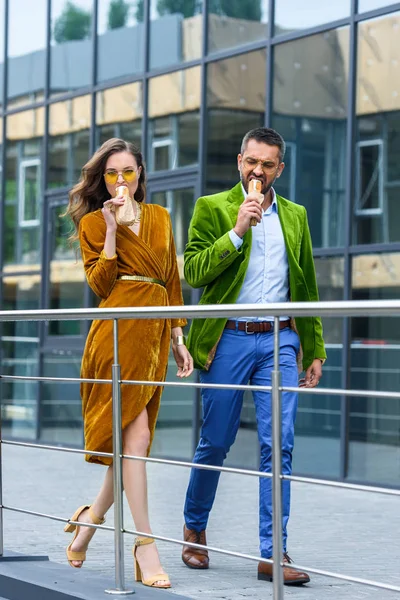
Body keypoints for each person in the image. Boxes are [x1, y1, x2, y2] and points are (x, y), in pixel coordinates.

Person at [181, 127, 326, 586]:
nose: (258, 171)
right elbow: (195, 270)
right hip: (229, 339)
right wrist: (238, 229)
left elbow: (307, 287)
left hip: (280, 341)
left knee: (278, 445)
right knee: (217, 441)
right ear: (239, 162)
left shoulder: (296, 216)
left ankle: (273, 554)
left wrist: (314, 347)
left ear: (279, 169)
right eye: (252, 162)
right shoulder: (213, 208)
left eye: (268, 164)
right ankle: (194, 528)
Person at [63, 138, 193, 589]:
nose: (121, 181)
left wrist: (178, 335)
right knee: (135, 441)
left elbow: (170, 279)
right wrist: (114, 232)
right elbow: (100, 284)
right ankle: (146, 546)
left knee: (129, 450)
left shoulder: (159, 217)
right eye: (112, 174)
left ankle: (88, 524)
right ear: (103, 179)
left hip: (153, 335)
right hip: (116, 335)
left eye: (129, 172)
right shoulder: (94, 224)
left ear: (140, 174)